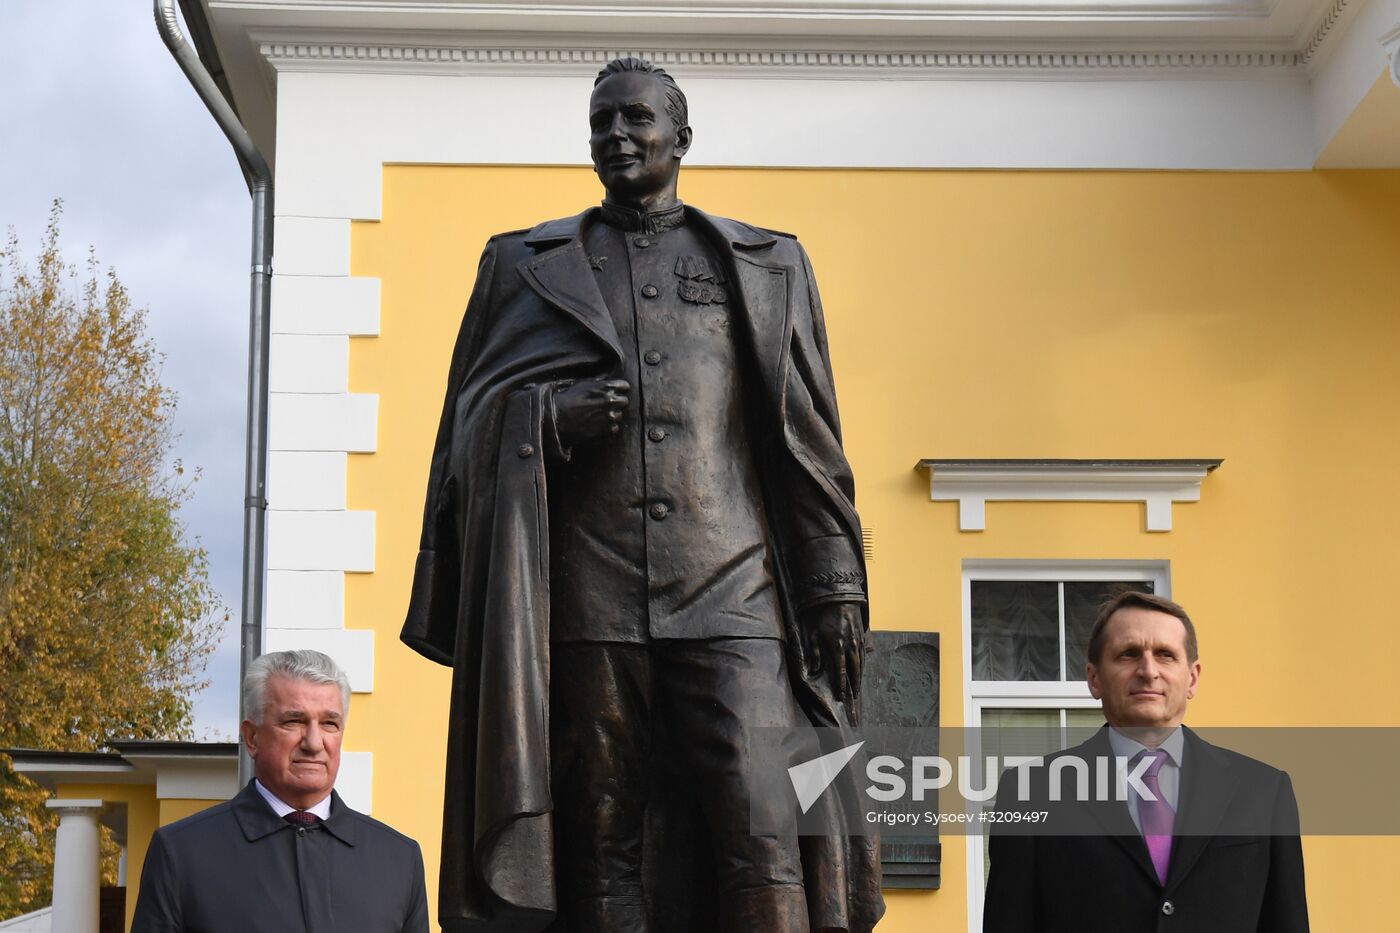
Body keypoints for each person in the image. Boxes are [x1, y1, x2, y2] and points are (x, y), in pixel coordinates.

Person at [401, 57, 883, 933]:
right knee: (599, 832)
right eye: (601, 125)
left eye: (635, 120)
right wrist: (546, 416)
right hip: (589, 592)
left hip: (736, 588)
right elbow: (465, 430)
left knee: (764, 817)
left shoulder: (766, 264)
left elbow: (807, 442)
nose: (616, 137)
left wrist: (834, 583)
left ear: (681, 137)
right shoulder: (524, 265)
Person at [982, 591, 1309, 932]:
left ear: (1192, 678)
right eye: (1128, 654)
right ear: (1094, 679)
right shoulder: (1030, 791)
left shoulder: (1264, 792)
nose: (1148, 670)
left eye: (1166, 655)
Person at [130, 650, 429, 932]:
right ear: (252, 738)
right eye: (294, 721)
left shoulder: (399, 860)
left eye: (329, 724)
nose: (314, 742)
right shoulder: (181, 853)